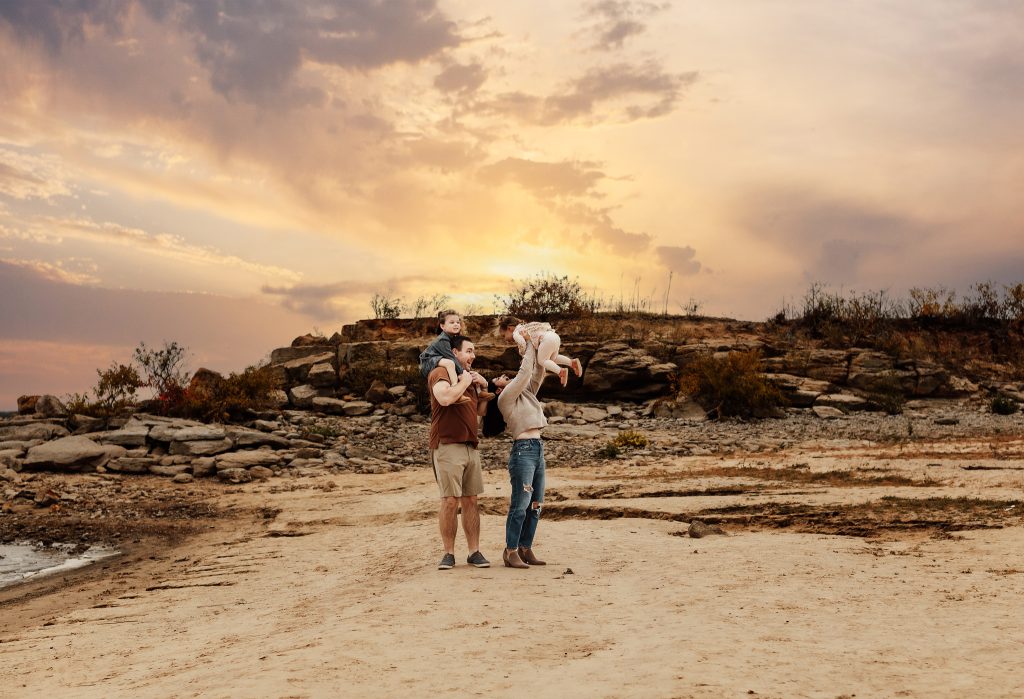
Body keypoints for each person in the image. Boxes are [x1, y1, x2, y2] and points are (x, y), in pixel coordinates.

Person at [428, 334, 491, 570]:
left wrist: (483, 386)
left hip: (470, 446)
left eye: (474, 351)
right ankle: (448, 554)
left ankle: (474, 552)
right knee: (450, 501)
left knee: (472, 500)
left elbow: (479, 412)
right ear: (454, 353)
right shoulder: (440, 373)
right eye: (469, 351)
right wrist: (465, 382)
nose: (473, 356)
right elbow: (444, 398)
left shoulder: (469, 379)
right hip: (447, 444)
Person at [495, 343, 549, 569]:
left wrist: (538, 349)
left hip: (537, 450)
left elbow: (537, 371)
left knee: (536, 504)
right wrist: (527, 344)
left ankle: (526, 547)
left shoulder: (528, 394)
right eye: (500, 377)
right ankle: (511, 550)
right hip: (523, 452)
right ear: (498, 387)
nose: (505, 377)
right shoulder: (505, 398)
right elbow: (525, 372)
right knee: (521, 504)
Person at [421, 309, 494, 404]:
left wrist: (468, 372)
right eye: (452, 322)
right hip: (428, 361)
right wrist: (463, 373)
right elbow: (451, 357)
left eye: (457, 322)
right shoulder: (442, 340)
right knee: (450, 363)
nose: (456, 324)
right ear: (442, 326)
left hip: (438, 359)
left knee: (468, 370)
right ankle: (455, 387)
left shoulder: (453, 338)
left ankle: (479, 393)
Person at [497, 315, 582, 388]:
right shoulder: (523, 327)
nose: (505, 339)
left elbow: (522, 343)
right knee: (551, 359)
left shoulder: (516, 333)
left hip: (546, 339)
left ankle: (560, 371)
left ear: (509, 328)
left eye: (504, 335)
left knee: (542, 361)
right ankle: (572, 362)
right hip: (554, 336)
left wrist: (523, 355)